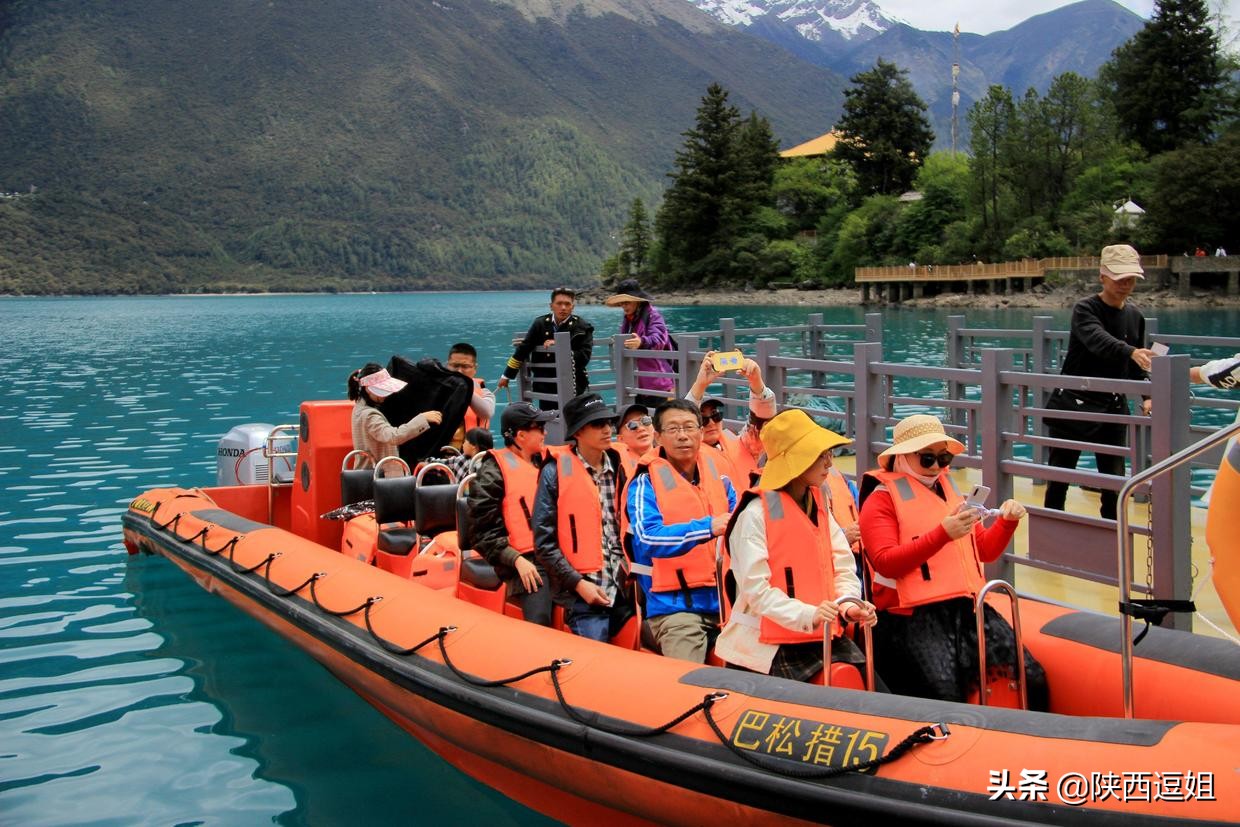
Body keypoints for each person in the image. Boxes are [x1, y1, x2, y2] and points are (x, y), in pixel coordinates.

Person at [857, 414, 1047, 709]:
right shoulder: (880, 500)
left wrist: (1007, 523)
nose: (937, 467)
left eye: (944, 459)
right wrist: (942, 534)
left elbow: (983, 551)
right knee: (942, 694)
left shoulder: (950, 489)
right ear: (904, 457)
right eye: (928, 459)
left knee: (1031, 676)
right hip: (909, 618)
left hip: (964, 608)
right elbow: (885, 563)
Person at [715, 410, 879, 684]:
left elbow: (842, 564)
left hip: (822, 632)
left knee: (874, 691)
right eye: (820, 454)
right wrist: (808, 614)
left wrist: (848, 605)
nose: (829, 462)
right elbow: (757, 591)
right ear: (796, 461)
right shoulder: (754, 515)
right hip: (767, 644)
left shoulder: (819, 505)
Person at [1043, 244, 1153, 520]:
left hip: (1113, 405)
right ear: (1102, 276)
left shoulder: (1135, 316)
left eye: (1130, 279)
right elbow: (1097, 339)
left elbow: (1137, 365)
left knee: (1114, 479)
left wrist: (1147, 395)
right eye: (1119, 278)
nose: (1125, 285)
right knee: (1060, 474)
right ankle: (1053, 529)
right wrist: (1131, 351)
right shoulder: (1085, 309)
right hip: (1075, 402)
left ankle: (1112, 531)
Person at [624, 399, 737, 662]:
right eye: (673, 429)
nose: (683, 435)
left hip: (726, 603)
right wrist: (707, 527)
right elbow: (648, 538)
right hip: (675, 610)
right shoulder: (645, 482)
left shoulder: (720, 479)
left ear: (700, 432)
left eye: (689, 427)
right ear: (658, 436)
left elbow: (741, 525)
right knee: (684, 679)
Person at [532, 393, 632, 641]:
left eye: (609, 423)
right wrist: (578, 584)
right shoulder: (553, 473)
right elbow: (544, 543)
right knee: (595, 661)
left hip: (625, 586)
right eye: (598, 424)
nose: (607, 429)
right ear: (577, 433)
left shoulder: (620, 467)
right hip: (582, 592)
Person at [470, 402, 555, 624]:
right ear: (520, 435)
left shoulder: (548, 462)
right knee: (540, 617)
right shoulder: (492, 473)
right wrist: (516, 560)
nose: (545, 432)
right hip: (523, 559)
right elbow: (481, 534)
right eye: (540, 427)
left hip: (554, 551)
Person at [687, 352, 776, 489]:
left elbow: (762, 423)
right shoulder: (686, 454)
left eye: (715, 415)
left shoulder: (743, 443)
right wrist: (700, 385)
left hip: (751, 508)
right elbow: (682, 423)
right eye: (702, 419)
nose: (711, 423)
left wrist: (756, 382)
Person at [498, 288, 594, 410]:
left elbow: (584, 357)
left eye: (567, 304)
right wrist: (506, 376)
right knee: (548, 420)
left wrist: (560, 346)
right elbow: (523, 349)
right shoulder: (540, 324)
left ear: (572, 307)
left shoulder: (582, 327)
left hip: (574, 384)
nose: (563, 308)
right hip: (545, 384)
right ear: (551, 306)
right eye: (559, 303)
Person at [348, 363, 442, 463]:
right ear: (367, 389)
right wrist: (423, 419)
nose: (385, 396)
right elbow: (393, 437)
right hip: (379, 475)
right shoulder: (369, 415)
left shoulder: (359, 407)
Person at [605, 279, 675, 408]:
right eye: (621, 303)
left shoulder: (653, 315)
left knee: (656, 420)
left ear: (637, 300)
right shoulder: (629, 319)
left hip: (656, 381)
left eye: (627, 302)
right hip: (635, 380)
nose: (624, 306)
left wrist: (641, 342)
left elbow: (659, 340)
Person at [445, 343, 495, 449]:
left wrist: (464, 388)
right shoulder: (438, 390)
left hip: (472, 456)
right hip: (441, 455)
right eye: (454, 366)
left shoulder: (485, 393)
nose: (459, 371)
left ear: (475, 368)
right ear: (447, 366)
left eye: (465, 366)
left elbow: (486, 413)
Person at [615, 403, 655, 477]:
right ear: (621, 439)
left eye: (645, 420)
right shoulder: (616, 468)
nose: (641, 428)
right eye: (632, 425)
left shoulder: (670, 456)